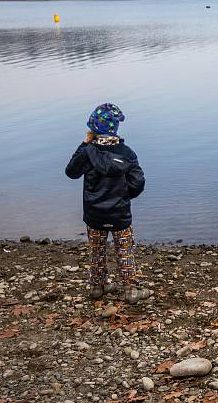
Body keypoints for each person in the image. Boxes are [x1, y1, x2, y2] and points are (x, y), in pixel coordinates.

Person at [65, 103, 151, 304]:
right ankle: (131, 290)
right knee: (125, 250)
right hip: (120, 213)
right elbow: (138, 182)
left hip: (94, 213)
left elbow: (71, 172)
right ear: (115, 127)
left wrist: (85, 144)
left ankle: (98, 286)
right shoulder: (126, 153)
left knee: (96, 250)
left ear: (93, 128)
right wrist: (124, 196)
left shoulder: (88, 152)